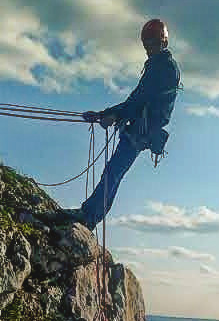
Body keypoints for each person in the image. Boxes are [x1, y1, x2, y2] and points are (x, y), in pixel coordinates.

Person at [52, 18, 181, 231]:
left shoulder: (163, 67)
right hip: (143, 129)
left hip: (141, 130)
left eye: (152, 44)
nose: (148, 49)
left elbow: (138, 99)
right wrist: (105, 114)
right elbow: (138, 99)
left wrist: (109, 114)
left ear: (163, 43)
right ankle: (90, 215)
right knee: (114, 172)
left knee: (113, 172)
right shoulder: (161, 65)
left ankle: (89, 216)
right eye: (146, 45)